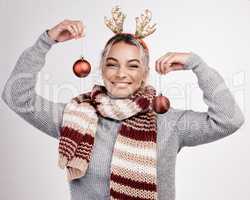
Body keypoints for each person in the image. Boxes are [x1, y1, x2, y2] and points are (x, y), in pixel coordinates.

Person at [1, 6, 245, 200]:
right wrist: (46, 40)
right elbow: (16, 96)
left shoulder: (168, 122)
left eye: (133, 65)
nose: (121, 73)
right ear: (102, 69)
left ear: (145, 73)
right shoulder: (76, 116)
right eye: (112, 63)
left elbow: (229, 119)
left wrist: (197, 64)